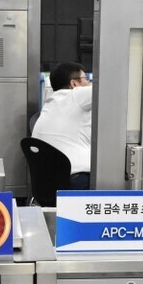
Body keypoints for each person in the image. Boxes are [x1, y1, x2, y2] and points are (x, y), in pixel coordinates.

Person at [31, 62, 93, 190]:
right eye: (86, 79)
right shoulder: (75, 95)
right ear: (74, 83)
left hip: (45, 185)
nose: (88, 83)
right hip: (76, 181)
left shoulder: (50, 104)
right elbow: (107, 87)